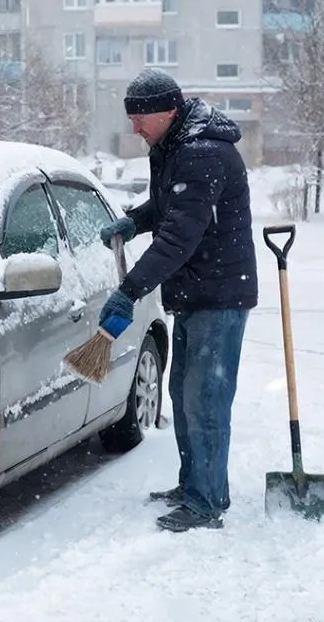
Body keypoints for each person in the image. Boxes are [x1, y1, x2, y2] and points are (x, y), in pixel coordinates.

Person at [96, 68, 258, 533]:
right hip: (194, 291)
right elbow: (171, 206)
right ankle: (195, 486)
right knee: (183, 395)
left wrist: (130, 290)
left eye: (140, 118)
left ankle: (206, 503)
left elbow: (179, 236)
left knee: (205, 400)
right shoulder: (174, 145)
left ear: (168, 111)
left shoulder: (203, 152)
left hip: (219, 295)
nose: (134, 128)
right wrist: (135, 220)